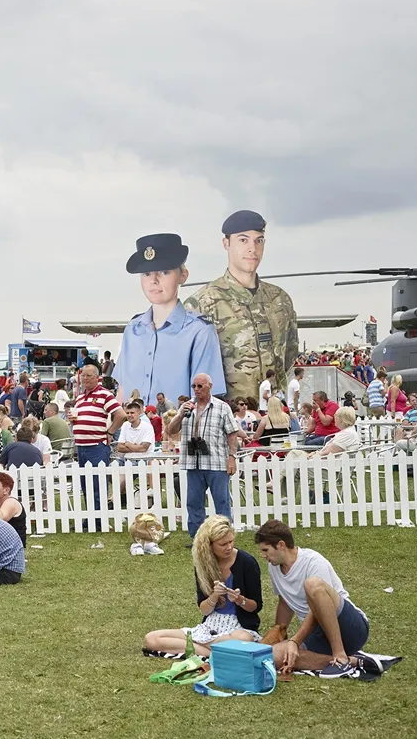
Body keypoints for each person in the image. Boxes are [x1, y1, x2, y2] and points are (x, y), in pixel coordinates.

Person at [184, 210, 299, 403]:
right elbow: (191, 370)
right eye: (243, 240)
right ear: (226, 243)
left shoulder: (280, 300)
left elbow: (289, 355)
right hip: (228, 420)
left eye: (259, 240)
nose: (252, 249)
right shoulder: (202, 304)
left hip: (276, 416)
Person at [114, 233, 226, 406]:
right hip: (131, 431)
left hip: (176, 430)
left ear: (183, 276)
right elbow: (122, 392)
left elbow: (204, 401)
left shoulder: (199, 331)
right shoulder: (133, 329)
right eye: (146, 273)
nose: (154, 280)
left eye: (164, 272)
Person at [255, 520, 371, 677]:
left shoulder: (313, 561)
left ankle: (341, 657)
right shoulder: (273, 567)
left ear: (281, 545)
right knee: (271, 656)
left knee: (313, 585)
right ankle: (352, 662)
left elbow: (319, 609)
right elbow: (285, 602)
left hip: (350, 627)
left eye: (265, 550)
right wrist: (278, 631)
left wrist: (295, 641)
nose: (263, 555)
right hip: (317, 633)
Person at [144, 515, 262, 657]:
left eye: (231, 541)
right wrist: (214, 596)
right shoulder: (203, 564)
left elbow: (256, 606)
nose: (229, 547)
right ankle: (215, 652)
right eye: (223, 544)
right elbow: (204, 610)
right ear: (209, 545)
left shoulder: (247, 562)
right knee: (151, 639)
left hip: (239, 627)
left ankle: (198, 648)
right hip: (210, 626)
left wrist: (239, 600)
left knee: (243, 639)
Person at [167, 373, 244, 538]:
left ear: (209, 386)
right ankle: (197, 537)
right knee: (193, 503)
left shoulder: (222, 407)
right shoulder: (187, 407)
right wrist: (180, 414)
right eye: (193, 386)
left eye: (200, 386)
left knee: (221, 502)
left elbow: (232, 434)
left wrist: (232, 457)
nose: (196, 389)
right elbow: (171, 430)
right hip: (193, 462)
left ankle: (224, 536)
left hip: (216, 462)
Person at [70, 365, 127, 528]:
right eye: (83, 376)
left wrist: (110, 433)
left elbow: (121, 415)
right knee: (85, 484)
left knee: (97, 483)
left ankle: (99, 519)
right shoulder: (80, 398)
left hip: (96, 446)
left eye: (88, 376)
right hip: (81, 446)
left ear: (97, 377)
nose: (85, 379)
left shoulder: (105, 395)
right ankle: (91, 517)